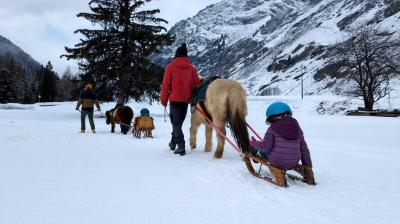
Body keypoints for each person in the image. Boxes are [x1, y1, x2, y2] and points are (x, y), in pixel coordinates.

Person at [161, 43, 201, 156]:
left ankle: (181, 146)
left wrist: (164, 100)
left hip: (174, 100)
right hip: (185, 101)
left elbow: (165, 85)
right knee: (178, 123)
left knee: (176, 123)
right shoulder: (192, 68)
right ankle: (173, 143)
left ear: (176, 55)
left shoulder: (170, 67)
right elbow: (196, 84)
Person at [249, 102, 313, 170]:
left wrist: (254, 143)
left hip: (276, 161)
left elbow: (265, 147)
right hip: (294, 162)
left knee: (263, 150)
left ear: (272, 117)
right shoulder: (297, 129)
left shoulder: (272, 129)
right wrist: (308, 167)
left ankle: (257, 155)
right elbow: (304, 150)